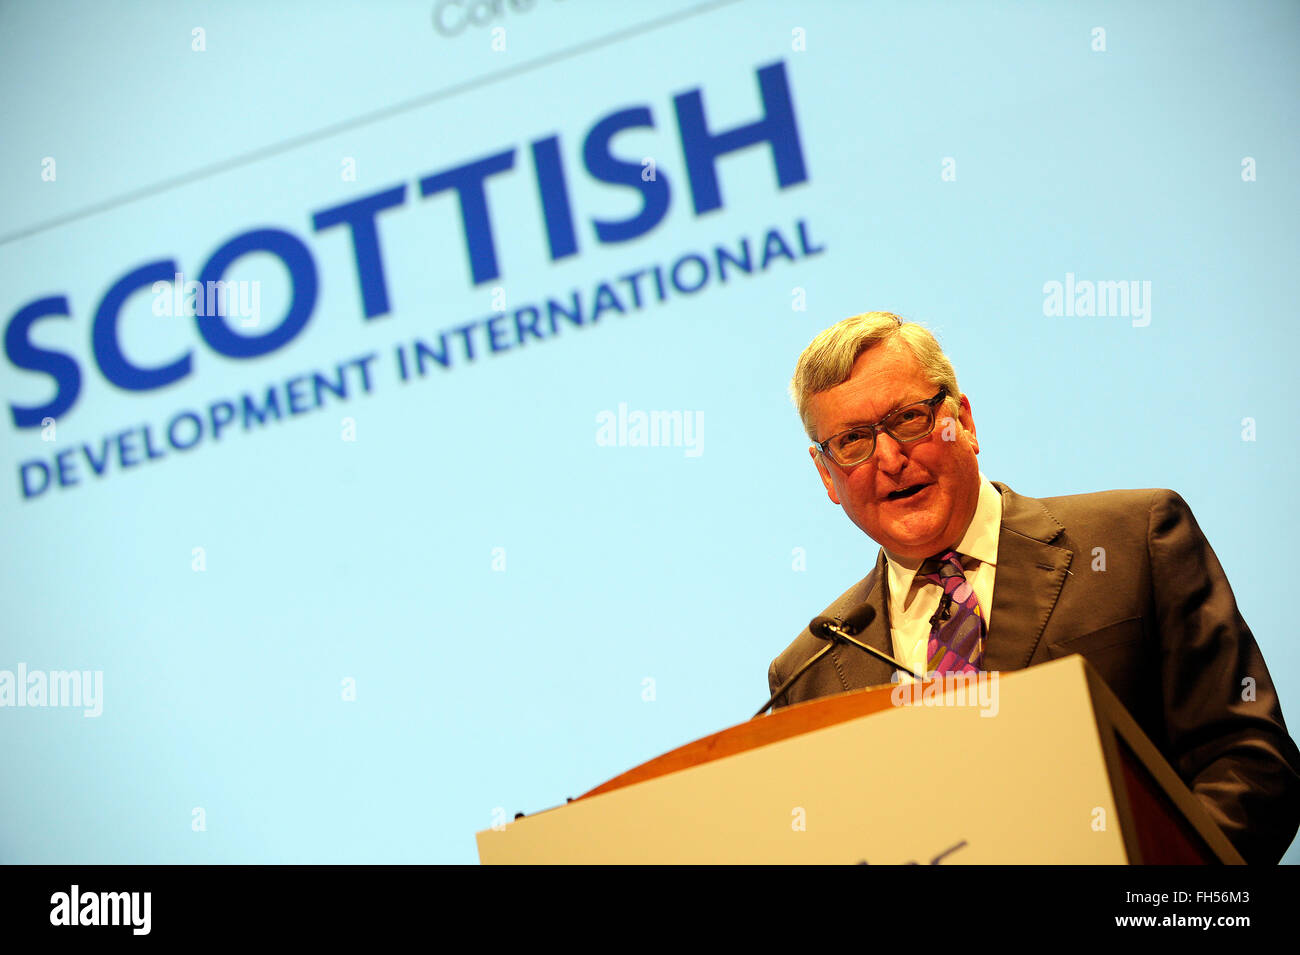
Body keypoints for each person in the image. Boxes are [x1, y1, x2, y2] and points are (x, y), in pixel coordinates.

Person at [768, 311, 1300, 865]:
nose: (890, 458)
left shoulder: (1134, 542)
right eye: (852, 440)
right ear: (827, 474)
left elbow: (1250, 763)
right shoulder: (811, 673)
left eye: (908, 419)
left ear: (963, 421)